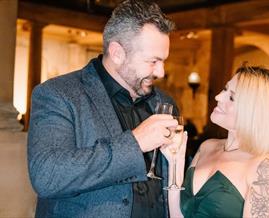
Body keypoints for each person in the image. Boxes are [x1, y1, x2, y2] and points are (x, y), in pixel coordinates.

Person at [27, 0, 178, 217]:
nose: (161, 72)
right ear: (117, 52)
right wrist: (135, 143)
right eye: (153, 61)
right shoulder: (58, 94)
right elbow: (47, 175)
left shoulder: (164, 102)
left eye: (163, 61)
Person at [162, 65, 269, 218]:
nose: (218, 97)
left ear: (254, 111)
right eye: (225, 89)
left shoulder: (265, 166)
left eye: (231, 97)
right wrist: (175, 161)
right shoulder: (207, 147)